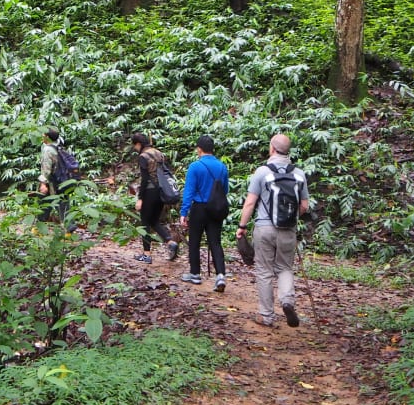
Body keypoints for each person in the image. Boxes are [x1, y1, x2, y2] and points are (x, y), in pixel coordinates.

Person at [236, 134, 309, 327]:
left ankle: (267, 316)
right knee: (284, 267)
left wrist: (242, 227)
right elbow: (304, 206)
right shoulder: (299, 174)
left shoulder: (262, 172)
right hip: (288, 229)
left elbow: (250, 202)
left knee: (264, 271)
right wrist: (291, 218)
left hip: (264, 228)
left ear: (272, 148)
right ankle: (287, 301)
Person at [179, 135, 229, 292]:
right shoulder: (222, 166)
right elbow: (225, 189)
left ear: (199, 149)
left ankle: (195, 273)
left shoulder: (195, 166)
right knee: (215, 241)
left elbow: (189, 191)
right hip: (216, 208)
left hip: (199, 207)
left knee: (195, 240)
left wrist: (184, 212)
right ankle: (220, 275)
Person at [131, 132, 179, 264]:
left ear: (139, 144)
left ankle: (147, 254)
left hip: (150, 192)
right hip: (162, 192)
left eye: (134, 146)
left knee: (145, 222)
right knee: (154, 220)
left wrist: (140, 198)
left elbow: (145, 179)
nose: (135, 148)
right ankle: (170, 241)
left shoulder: (143, 156)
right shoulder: (159, 153)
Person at [38, 127, 74, 230]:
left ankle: (69, 227)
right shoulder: (59, 147)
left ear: (47, 137)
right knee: (59, 203)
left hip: (52, 182)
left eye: (44, 134)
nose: (42, 136)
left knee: (48, 203)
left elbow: (46, 168)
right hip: (63, 180)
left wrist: (43, 183)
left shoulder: (48, 150)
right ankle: (38, 227)